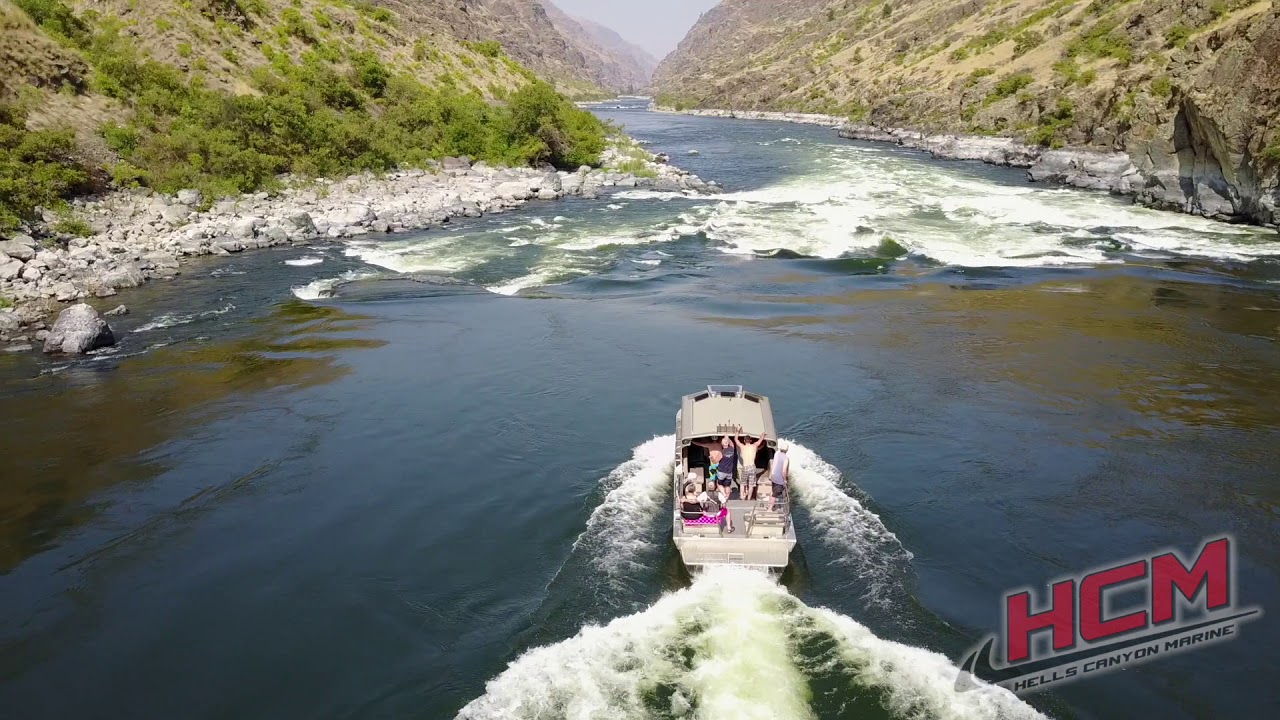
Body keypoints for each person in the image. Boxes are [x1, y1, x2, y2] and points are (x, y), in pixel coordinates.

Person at [736, 432, 766, 501]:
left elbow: (736, 439)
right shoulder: (754, 445)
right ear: (750, 440)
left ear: (744, 440)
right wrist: (762, 434)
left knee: (742, 484)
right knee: (751, 485)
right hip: (752, 467)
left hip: (745, 467)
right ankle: (749, 499)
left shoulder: (742, 447)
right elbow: (760, 440)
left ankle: (742, 497)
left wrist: (737, 431)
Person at [768, 439, 790, 512]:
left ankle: (770, 503)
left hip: (773, 476)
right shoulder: (786, 459)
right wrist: (785, 480)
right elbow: (784, 471)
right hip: (779, 479)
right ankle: (770, 509)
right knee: (775, 494)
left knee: (772, 490)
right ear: (787, 450)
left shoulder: (776, 453)